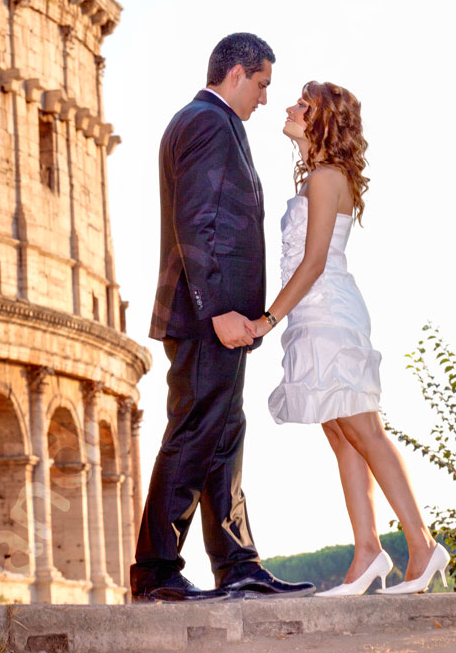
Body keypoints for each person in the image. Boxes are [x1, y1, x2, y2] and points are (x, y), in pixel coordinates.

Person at [130, 33, 314, 602]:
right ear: (236, 73)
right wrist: (217, 312)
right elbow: (198, 224)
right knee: (194, 432)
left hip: (215, 317)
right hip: (209, 316)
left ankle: (237, 562)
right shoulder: (208, 123)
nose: (264, 99)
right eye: (261, 84)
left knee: (221, 434)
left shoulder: (207, 123)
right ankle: (156, 570)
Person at [251, 81, 450, 596]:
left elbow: (314, 262)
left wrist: (266, 320)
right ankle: (367, 551)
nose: (290, 108)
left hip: (328, 313)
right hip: (314, 315)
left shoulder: (324, 177)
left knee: (364, 428)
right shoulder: (321, 177)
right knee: (341, 433)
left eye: (302, 105)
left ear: (322, 121)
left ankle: (422, 546)